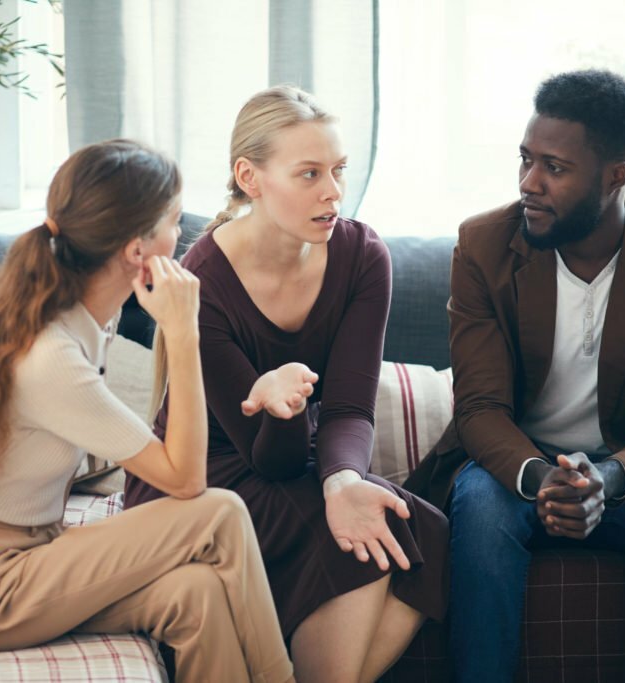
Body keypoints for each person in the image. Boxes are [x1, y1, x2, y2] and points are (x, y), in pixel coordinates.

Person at [0, 139, 294, 683]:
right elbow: (186, 479)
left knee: (195, 594)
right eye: (175, 222)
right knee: (220, 512)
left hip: (23, 554)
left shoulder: (72, 314)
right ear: (137, 250)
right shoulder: (51, 354)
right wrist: (182, 332)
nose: (183, 238)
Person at [406, 69, 625, 682]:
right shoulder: (484, 245)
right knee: (478, 506)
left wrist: (606, 480)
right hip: (516, 466)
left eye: (553, 168)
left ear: (616, 176)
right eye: (526, 160)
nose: (528, 183)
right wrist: (541, 478)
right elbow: (478, 408)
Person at [125, 86, 449, 683]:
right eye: (309, 174)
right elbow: (263, 459)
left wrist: (343, 482)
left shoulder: (362, 256)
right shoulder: (204, 282)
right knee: (357, 537)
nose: (333, 191)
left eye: (338, 170)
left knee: (419, 524)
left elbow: (350, 408)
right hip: (206, 479)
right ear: (250, 177)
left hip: (297, 459)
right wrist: (277, 407)